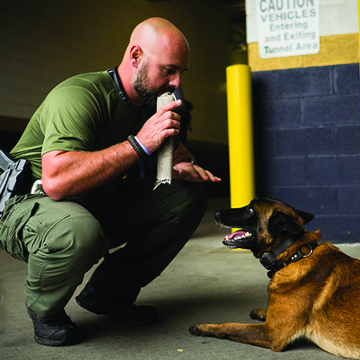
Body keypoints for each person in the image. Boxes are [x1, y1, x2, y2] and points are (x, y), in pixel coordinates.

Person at [0, 17, 221, 346]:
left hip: (95, 202)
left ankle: (107, 294)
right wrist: (140, 144)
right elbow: (56, 181)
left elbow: (172, 152)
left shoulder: (150, 102)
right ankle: (44, 310)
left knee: (186, 199)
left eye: (181, 74)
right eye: (169, 70)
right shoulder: (78, 95)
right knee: (77, 230)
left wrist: (182, 164)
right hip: (31, 206)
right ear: (136, 57)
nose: (175, 83)